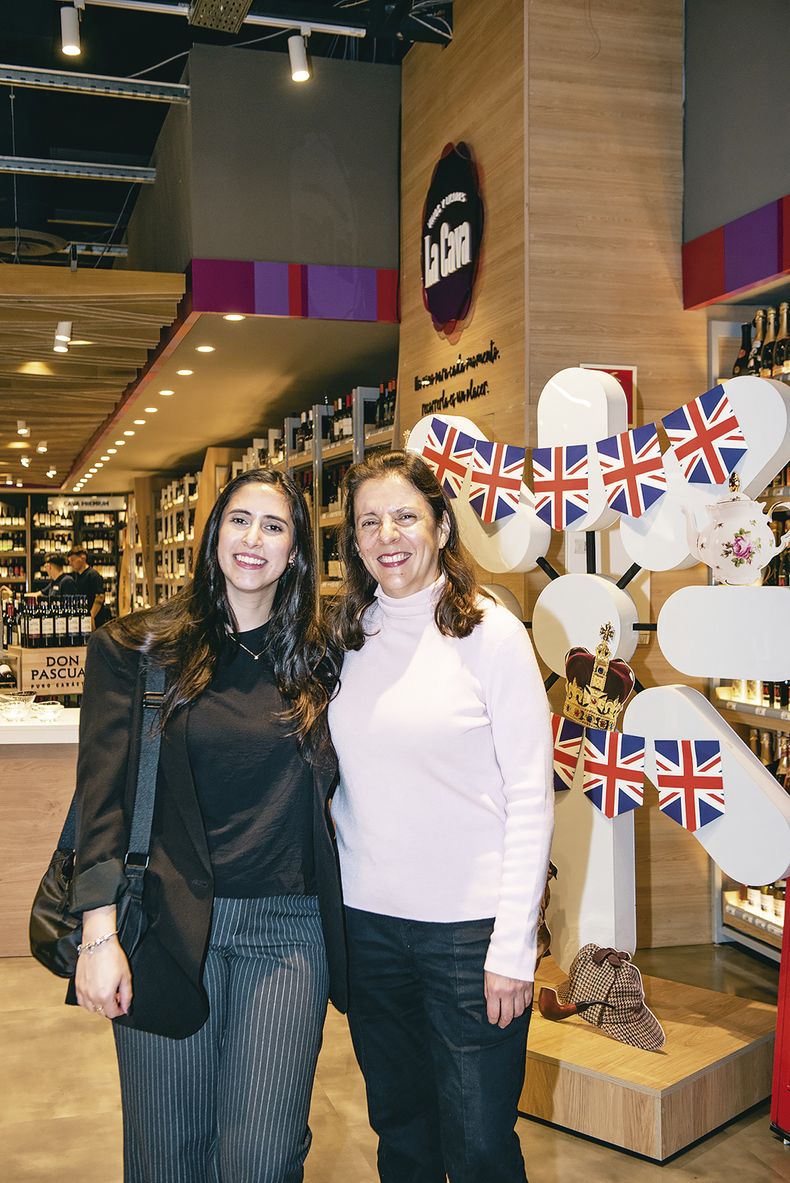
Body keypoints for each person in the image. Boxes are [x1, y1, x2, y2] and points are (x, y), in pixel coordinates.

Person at [70, 468, 346, 1183]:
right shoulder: (134, 650)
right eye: (239, 520)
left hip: (289, 933)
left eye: (275, 526)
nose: (253, 538)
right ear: (214, 533)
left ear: (297, 552)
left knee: (262, 1157)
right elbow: (101, 804)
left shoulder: (325, 659)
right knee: (168, 1157)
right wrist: (99, 937)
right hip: (164, 927)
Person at [327, 450, 554, 1183]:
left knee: (481, 1142)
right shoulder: (344, 638)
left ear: (441, 524)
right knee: (402, 1134)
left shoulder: (492, 633)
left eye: (404, 515)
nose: (387, 534)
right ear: (354, 541)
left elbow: (530, 796)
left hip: (469, 937)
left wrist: (512, 947)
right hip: (370, 933)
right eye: (369, 520)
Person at [67, 545, 111, 628]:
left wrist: (91, 616)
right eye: (69, 561)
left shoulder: (93, 575)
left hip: (94, 620)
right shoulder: (76, 576)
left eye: (72, 560)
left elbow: (100, 597)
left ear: (83, 558)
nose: (70, 564)